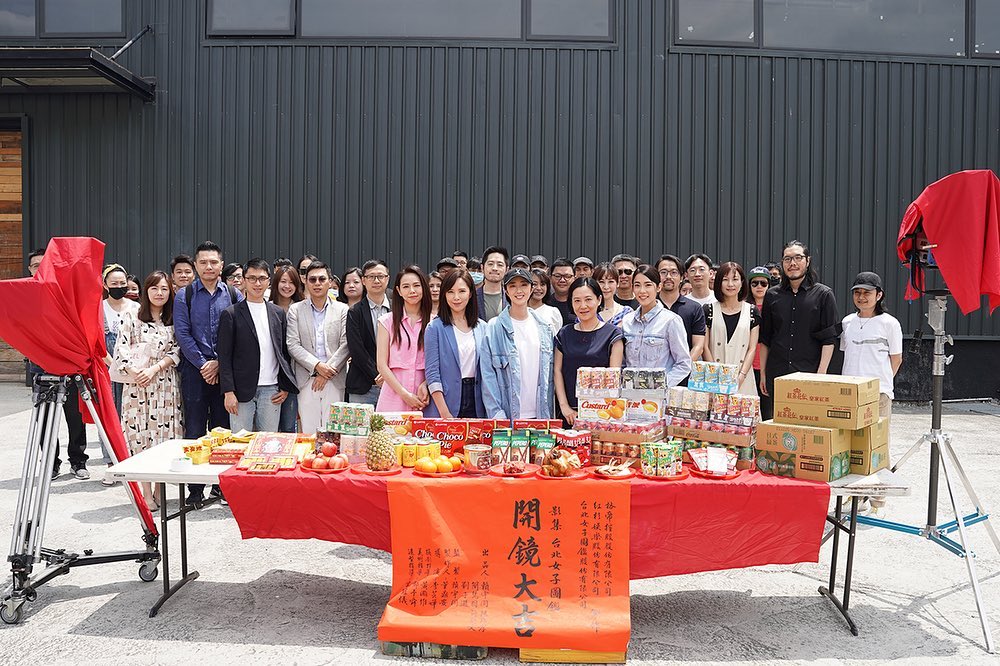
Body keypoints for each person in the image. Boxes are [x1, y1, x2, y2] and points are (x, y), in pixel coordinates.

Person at [174, 240, 243, 506]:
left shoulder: (234, 295)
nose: (209, 266)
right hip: (195, 371)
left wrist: (219, 364)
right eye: (203, 262)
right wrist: (204, 364)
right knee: (194, 428)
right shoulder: (185, 295)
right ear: (195, 265)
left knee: (223, 430)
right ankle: (194, 489)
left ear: (221, 265)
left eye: (214, 262)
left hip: (225, 372)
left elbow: (239, 334)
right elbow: (183, 334)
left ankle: (220, 485)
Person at [113, 271, 184, 509]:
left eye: (164, 289)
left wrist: (154, 369)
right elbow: (121, 348)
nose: (159, 293)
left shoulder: (173, 318)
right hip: (137, 384)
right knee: (140, 435)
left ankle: (159, 488)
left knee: (164, 436)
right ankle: (145, 491)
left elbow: (177, 350)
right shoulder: (131, 315)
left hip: (165, 383)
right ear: (146, 291)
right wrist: (135, 372)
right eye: (154, 288)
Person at [25, 248, 89, 481]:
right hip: (40, 367)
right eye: (35, 265)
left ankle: (78, 462)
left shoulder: (64, 292)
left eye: (44, 264)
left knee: (75, 417)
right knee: (44, 419)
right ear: (29, 269)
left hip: (68, 365)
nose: (39, 268)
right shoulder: (25, 295)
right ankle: (51, 464)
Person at [758, 240, 840, 420]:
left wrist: (820, 376)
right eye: (787, 259)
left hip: (809, 374)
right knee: (779, 425)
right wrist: (763, 374)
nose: (792, 263)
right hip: (777, 374)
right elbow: (765, 339)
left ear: (807, 261)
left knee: (807, 427)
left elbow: (829, 339)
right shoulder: (772, 295)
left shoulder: (823, 295)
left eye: (798, 258)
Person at [218, 258, 297, 434]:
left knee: (268, 443)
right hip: (240, 391)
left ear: (269, 281)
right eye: (252, 278)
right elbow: (224, 356)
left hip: (272, 390)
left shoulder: (277, 313)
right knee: (240, 442)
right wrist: (228, 392)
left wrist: (284, 386)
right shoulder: (231, 314)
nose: (257, 283)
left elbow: (284, 353)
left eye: (262, 278)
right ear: (244, 280)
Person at [480, 268, 555, 420]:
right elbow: (488, 375)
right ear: (506, 291)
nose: (518, 290)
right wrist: (497, 413)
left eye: (524, 285)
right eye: (512, 285)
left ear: (531, 288)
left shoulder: (545, 327)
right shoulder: (494, 327)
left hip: (540, 414)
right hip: (507, 415)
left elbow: (552, 374)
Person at [287, 261, 351, 433]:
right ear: (305, 282)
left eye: (322, 279)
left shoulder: (343, 309)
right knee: (309, 432)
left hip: (334, 378)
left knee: (334, 432)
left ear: (330, 282)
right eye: (312, 279)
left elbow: (346, 344)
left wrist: (326, 371)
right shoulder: (295, 310)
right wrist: (317, 366)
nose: (317, 283)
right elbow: (292, 344)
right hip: (307, 378)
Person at [554, 278, 625, 426]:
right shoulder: (564, 333)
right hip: (570, 414)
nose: (583, 306)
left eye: (588, 299)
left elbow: (614, 377)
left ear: (599, 300)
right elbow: (557, 371)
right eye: (577, 301)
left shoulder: (613, 334)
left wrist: (601, 411)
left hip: (602, 414)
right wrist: (564, 407)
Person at [841, 272, 903, 419]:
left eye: (867, 293)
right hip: (849, 390)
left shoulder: (890, 323)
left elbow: (896, 359)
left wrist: (882, 382)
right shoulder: (847, 322)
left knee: (877, 433)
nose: (861, 297)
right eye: (857, 292)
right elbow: (846, 353)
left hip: (878, 393)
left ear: (879, 295)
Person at [425, 270, 487, 418]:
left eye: (462, 291)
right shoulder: (434, 328)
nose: (456, 297)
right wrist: (444, 413)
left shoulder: (483, 327)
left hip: (477, 400)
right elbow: (432, 373)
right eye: (451, 292)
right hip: (446, 401)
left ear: (470, 293)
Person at [621, 265, 691, 386]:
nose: (642, 291)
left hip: (658, 395)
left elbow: (683, 364)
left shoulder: (671, 321)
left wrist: (661, 385)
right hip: (629, 393)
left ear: (659, 287)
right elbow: (622, 363)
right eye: (637, 285)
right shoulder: (627, 321)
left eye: (648, 285)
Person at [375, 265, 432, 412]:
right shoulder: (386, 322)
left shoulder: (435, 323)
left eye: (416, 285)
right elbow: (382, 365)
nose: (412, 290)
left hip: (424, 396)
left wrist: (427, 383)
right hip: (393, 394)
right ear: (399, 291)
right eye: (406, 286)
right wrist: (404, 394)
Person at [703, 262, 759, 395]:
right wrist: (715, 374)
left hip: (743, 377)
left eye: (735, 279)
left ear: (742, 282)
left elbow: (752, 348)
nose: (730, 284)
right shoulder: (709, 310)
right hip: (714, 379)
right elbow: (705, 346)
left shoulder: (752, 311)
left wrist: (741, 376)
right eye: (725, 280)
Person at [346, 259, 391, 405]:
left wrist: (389, 376)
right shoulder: (355, 312)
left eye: (380, 276)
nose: (376, 280)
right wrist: (378, 375)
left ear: (387, 279)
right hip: (363, 386)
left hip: (394, 384)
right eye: (371, 277)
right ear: (364, 280)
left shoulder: (399, 308)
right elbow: (356, 349)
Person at [269, 264, 304, 431]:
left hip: (295, 374)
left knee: (289, 427)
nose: (287, 286)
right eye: (283, 281)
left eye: (291, 282)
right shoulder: (266, 307)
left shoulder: (302, 309)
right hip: (271, 373)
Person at [656, 254, 706, 366]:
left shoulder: (694, 308)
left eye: (674, 272)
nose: (668, 276)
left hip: (684, 372)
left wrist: (682, 367)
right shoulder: (650, 306)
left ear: (682, 277)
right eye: (663, 272)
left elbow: (698, 346)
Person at [102, 263, 139, 416]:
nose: (119, 287)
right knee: (110, 413)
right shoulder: (98, 309)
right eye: (114, 283)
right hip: (107, 368)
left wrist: (128, 368)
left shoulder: (136, 308)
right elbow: (95, 343)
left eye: (122, 283)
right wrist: (114, 365)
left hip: (132, 369)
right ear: (105, 285)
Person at [746, 266, 771, 410]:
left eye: (763, 283)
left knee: (767, 411)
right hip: (747, 366)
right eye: (755, 283)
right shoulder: (744, 307)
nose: (759, 287)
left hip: (767, 366)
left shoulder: (774, 307)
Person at [528, 268, 563, 337]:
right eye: (534, 284)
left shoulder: (553, 312)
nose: (539, 288)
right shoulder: (519, 311)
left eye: (542, 284)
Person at [477, 246, 509, 321]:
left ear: (507, 270)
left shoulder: (511, 298)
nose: (495, 268)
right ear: (482, 268)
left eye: (500, 265)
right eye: (490, 264)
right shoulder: (471, 297)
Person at [545, 258, 576, 326]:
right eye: (557, 276)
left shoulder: (580, 303)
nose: (562, 280)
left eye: (567, 276)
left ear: (574, 278)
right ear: (550, 278)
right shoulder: (544, 303)